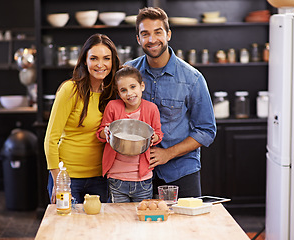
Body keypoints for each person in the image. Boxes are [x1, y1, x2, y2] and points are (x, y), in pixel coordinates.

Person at [126, 7, 216, 198]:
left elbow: (206, 130)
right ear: (138, 39)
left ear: (168, 34)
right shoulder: (127, 73)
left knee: (186, 227)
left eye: (158, 32)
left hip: (181, 171)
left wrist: (168, 153)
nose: (152, 40)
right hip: (135, 172)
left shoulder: (192, 78)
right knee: (139, 226)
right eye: (145, 34)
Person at [44, 33, 120, 204]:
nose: (100, 64)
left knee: (99, 229)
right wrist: (59, 181)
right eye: (94, 58)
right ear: (85, 61)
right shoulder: (70, 90)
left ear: (112, 62)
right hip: (68, 178)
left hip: (101, 178)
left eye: (106, 58)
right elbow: (50, 139)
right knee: (68, 228)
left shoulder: (113, 92)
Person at [96, 65, 163, 203]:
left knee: (142, 216)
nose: (129, 93)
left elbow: (158, 134)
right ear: (118, 93)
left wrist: (153, 137)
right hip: (116, 177)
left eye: (133, 87)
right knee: (119, 218)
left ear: (142, 86)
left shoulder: (151, 109)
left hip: (143, 178)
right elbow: (101, 133)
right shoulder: (113, 107)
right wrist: (106, 132)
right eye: (123, 90)